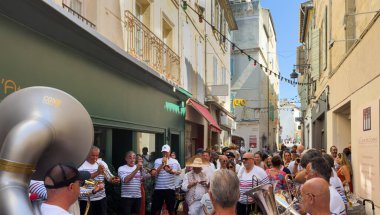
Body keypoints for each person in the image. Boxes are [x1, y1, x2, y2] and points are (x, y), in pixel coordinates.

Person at [78, 146, 120, 215]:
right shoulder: (81, 165)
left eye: (97, 155)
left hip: (101, 198)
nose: (95, 158)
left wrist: (114, 180)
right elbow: (80, 181)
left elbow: (109, 177)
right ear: (87, 154)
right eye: (93, 155)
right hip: (86, 200)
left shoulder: (101, 163)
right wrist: (97, 172)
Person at [150, 144, 181, 215]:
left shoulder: (174, 161)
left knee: (171, 210)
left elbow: (178, 172)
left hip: (170, 188)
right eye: (163, 152)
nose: (165, 153)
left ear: (169, 152)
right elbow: (154, 173)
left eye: (166, 152)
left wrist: (170, 171)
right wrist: (162, 164)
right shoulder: (157, 161)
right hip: (159, 188)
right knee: (156, 210)